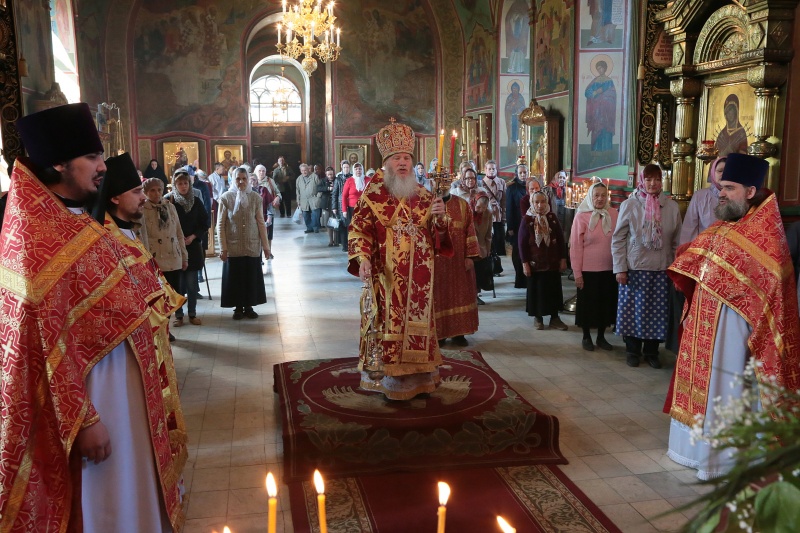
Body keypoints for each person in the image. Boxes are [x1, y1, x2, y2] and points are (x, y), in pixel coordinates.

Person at [0, 104, 185, 531]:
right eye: (92, 158)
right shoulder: (33, 238)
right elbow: (40, 343)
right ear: (58, 163)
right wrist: (84, 418)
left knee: (137, 488)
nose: (104, 167)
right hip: (96, 399)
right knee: (106, 500)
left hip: (128, 387)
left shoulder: (85, 222)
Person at [665, 153, 800, 480]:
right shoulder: (726, 226)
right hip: (705, 325)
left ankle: (722, 459)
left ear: (750, 191)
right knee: (706, 385)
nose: (720, 193)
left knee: (726, 386)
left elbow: (770, 298)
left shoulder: (767, 237)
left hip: (735, 335)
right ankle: (693, 450)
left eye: (729, 187)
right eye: (720, 186)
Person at [348, 119, 450, 400]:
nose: (403, 163)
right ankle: (389, 379)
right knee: (388, 324)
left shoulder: (424, 194)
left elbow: (439, 233)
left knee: (418, 325)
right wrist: (363, 258)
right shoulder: (373, 193)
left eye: (407, 157)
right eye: (396, 158)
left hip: (420, 277)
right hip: (388, 276)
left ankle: (420, 376)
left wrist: (441, 219)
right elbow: (358, 229)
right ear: (387, 162)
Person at [612, 164, 682, 368]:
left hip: (662, 268)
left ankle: (652, 352)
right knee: (634, 311)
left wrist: (675, 268)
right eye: (649, 179)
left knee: (657, 313)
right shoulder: (630, 204)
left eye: (657, 179)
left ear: (662, 181)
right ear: (642, 180)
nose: (653, 184)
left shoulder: (671, 207)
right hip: (635, 267)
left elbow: (677, 241)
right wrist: (620, 268)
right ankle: (632, 350)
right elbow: (618, 239)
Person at [570, 182, 618, 351]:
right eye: (596, 195)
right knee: (588, 305)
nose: (600, 199)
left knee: (605, 304)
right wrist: (577, 273)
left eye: (603, 195)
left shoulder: (613, 213)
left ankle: (601, 337)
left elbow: (620, 241)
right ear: (590, 196)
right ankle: (586, 336)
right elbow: (575, 246)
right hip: (587, 270)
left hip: (609, 268)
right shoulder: (581, 216)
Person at [218, 167, 271, 319]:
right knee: (235, 278)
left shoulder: (255, 198)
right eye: (238, 179)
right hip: (233, 246)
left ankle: (249, 306)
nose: (241, 182)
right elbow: (220, 225)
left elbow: (261, 223)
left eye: (244, 178)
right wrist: (223, 248)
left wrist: (266, 248)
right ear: (233, 180)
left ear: (248, 180)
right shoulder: (226, 198)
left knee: (250, 277)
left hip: (252, 245)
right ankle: (238, 307)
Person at [434, 188, 481, 347]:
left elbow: (470, 230)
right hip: (436, 262)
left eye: (446, 179)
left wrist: (470, 256)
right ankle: (439, 334)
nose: (442, 184)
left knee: (460, 294)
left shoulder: (462, 204)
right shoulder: (426, 204)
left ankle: (459, 333)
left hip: (459, 261)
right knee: (438, 297)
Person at [519, 190, 568, 330]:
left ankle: (555, 318)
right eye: (536, 202)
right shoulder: (527, 219)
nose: (540, 205)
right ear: (532, 203)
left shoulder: (552, 217)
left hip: (552, 261)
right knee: (537, 290)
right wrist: (525, 263)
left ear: (547, 202)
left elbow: (560, 239)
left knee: (553, 289)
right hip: (535, 263)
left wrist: (563, 258)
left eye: (543, 201)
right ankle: (538, 317)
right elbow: (521, 243)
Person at [166, 169, 209, 326]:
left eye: (185, 183)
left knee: (191, 285)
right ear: (175, 185)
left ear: (189, 184)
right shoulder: (169, 201)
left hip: (192, 246)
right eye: (180, 183)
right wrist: (177, 239)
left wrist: (193, 236)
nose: (183, 186)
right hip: (175, 247)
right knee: (178, 285)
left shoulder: (196, 201)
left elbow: (205, 223)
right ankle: (179, 315)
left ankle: (192, 313)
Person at [142, 177, 188, 316]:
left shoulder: (170, 206)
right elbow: (143, 236)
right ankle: (165, 328)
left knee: (175, 293)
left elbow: (179, 232)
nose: (156, 193)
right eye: (152, 190)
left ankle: (177, 317)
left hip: (174, 255)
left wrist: (184, 257)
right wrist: (146, 261)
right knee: (160, 296)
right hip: (156, 258)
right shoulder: (143, 210)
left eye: (159, 190)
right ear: (145, 192)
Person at [680, 157, 725, 244]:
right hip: (703, 249)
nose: (723, 174)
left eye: (727, 171)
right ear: (713, 173)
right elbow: (689, 228)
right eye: (720, 171)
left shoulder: (736, 196)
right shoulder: (700, 196)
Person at [506, 163, 529, 288]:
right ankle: (519, 277)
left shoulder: (530, 186)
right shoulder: (512, 188)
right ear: (517, 174)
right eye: (521, 173)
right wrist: (510, 227)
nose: (523, 175)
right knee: (517, 252)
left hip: (528, 224)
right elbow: (509, 208)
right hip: (516, 223)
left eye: (525, 172)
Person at [585, 60, 616, 152]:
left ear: (605, 68)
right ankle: (595, 151)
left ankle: (607, 152)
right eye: (598, 69)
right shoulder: (595, 81)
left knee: (606, 131)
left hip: (606, 111)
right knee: (596, 129)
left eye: (601, 68)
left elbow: (613, 95)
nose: (600, 70)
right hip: (596, 111)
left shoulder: (609, 81)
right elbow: (587, 92)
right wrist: (594, 92)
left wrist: (603, 96)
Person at [482, 160, 507, 271]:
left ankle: (497, 265)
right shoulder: (481, 183)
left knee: (498, 241)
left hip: (498, 216)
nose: (492, 171)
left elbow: (504, 201)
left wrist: (504, 216)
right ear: (485, 170)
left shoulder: (501, 182)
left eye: (493, 169)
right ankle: (489, 266)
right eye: (489, 169)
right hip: (487, 215)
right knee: (488, 241)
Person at [472, 191, 494, 305]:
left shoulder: (488, 214)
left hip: (482, 246)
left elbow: (488, 234)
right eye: (478, 207)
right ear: (475, 203)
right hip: (470, 246)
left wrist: (488, 250)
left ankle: (476, 294)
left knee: (479, 272)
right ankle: (471, 296)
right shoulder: (469, 212)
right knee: (471, 272)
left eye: (483, 208)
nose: (480, 210)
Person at [256, 164, 281, 257]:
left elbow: (278, 192)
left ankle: (268, 251)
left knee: (269, 232)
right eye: (260, 171)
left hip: (269, 209)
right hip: (257, 211)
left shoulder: (270, 181)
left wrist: (278, 198)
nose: (262, 172)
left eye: (263, 171)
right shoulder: (252, 181)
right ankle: (258, 253)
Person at [296, 163, 322, 233]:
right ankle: (309, 228)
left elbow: (320, 187)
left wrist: (318, 197)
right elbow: (297, 191)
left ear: (308, 170)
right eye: (302, 170)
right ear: (300, 171)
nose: (304, 172)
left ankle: (315, 227)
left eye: (305, 170)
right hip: (303, 200)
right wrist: (298, 201)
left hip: (314, 199)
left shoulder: (314, 176)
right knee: (305, 215)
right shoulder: (299, 179)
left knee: (315, 214)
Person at [332, 160, 352, 251]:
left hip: (351, 205)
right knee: (343, 226)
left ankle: (350, 244)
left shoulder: (352, 177)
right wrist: (334, 207)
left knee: (350, 226)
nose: (346, 169)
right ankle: (344, 245)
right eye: (344, 167)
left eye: (347, 167)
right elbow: (335, 194)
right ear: (342, 168)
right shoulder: (338, 179)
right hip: (341, 205)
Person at [320, 166, 338, 246]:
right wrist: (328, 188)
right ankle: (331, 240)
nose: (330, 176)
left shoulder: (337, 180)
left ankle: (336, 240)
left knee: (336, 222)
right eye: (328, 175)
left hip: (335, 204)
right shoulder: (323, 181)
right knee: (329, 223)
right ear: (326, 174)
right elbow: (318, 188)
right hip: (326, 204)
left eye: (331, 174)